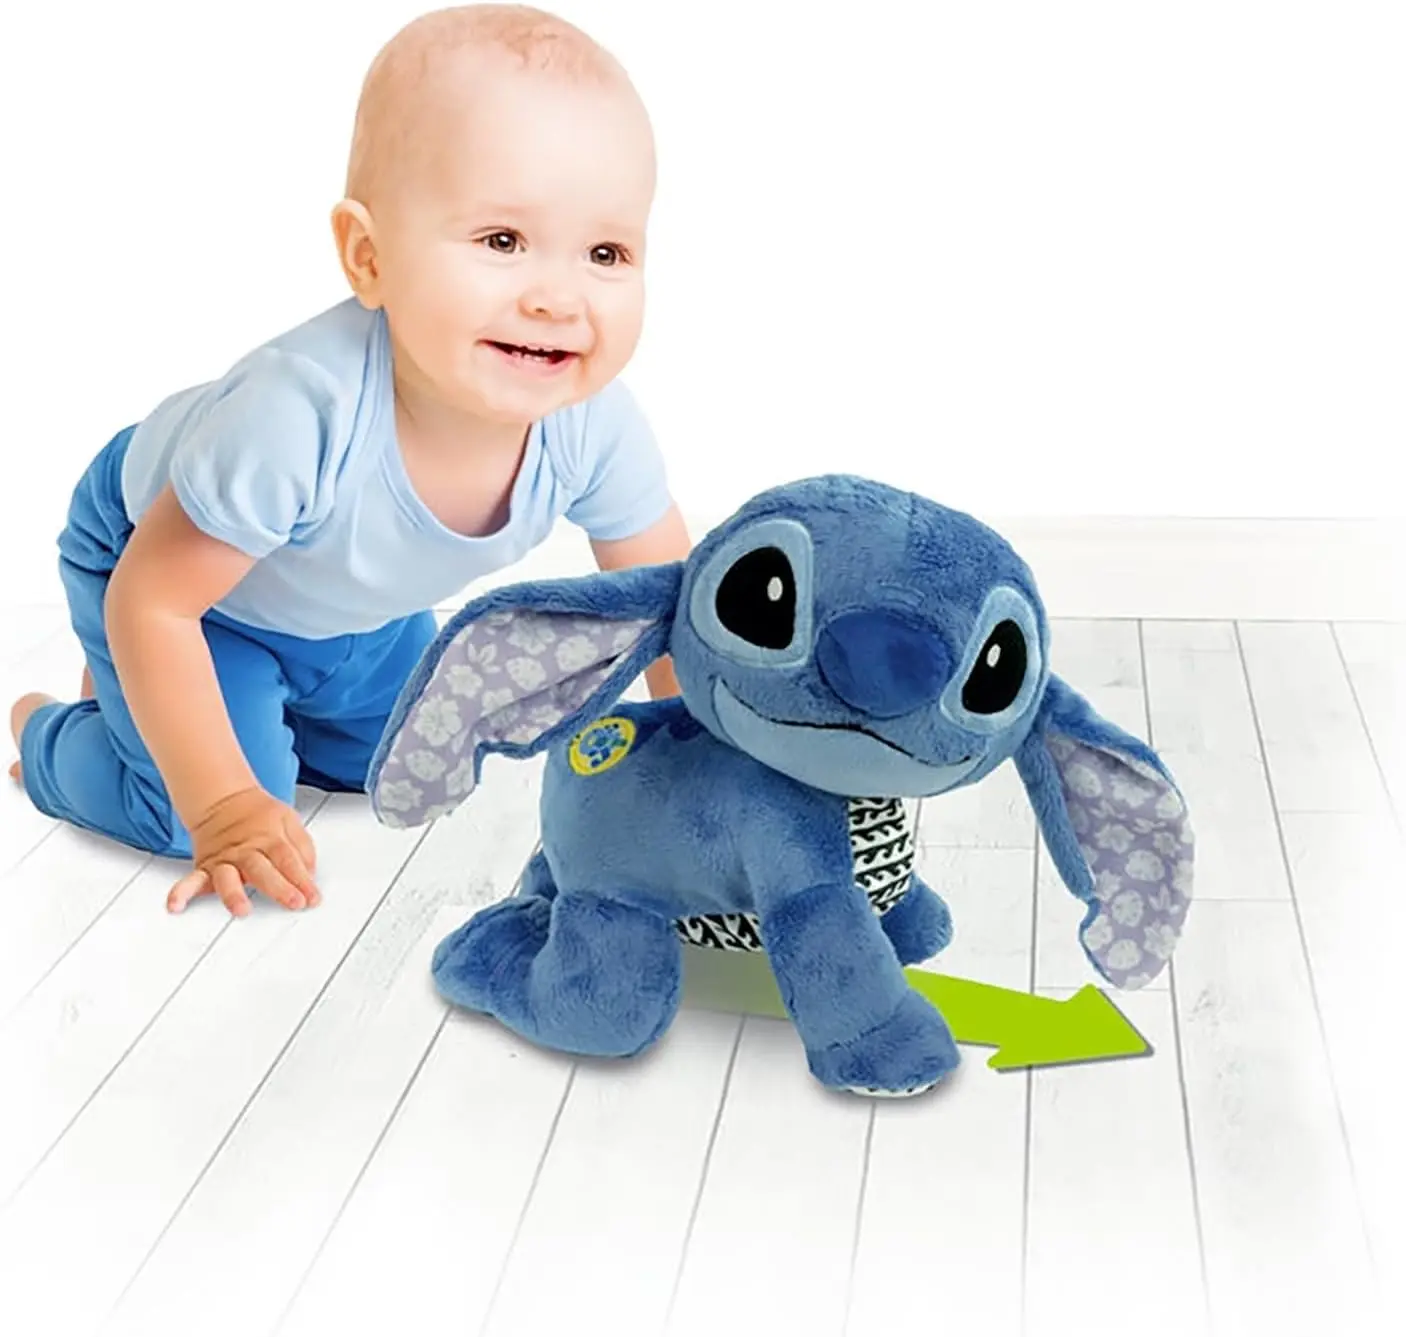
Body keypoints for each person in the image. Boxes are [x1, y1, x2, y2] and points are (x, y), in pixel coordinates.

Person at [7, 4, 691, 920]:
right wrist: (223, 802)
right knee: (201, 807)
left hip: (341, 610)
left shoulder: (590, 423)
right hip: (169, 574)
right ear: (369, 257)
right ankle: (54, 731)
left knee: (409, 766)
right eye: (502, 241)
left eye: (605, 251)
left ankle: (161, 697)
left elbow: (664, 607)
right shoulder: (296, 416)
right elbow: (155, 600)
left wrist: (702, 752)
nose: (557, 298)